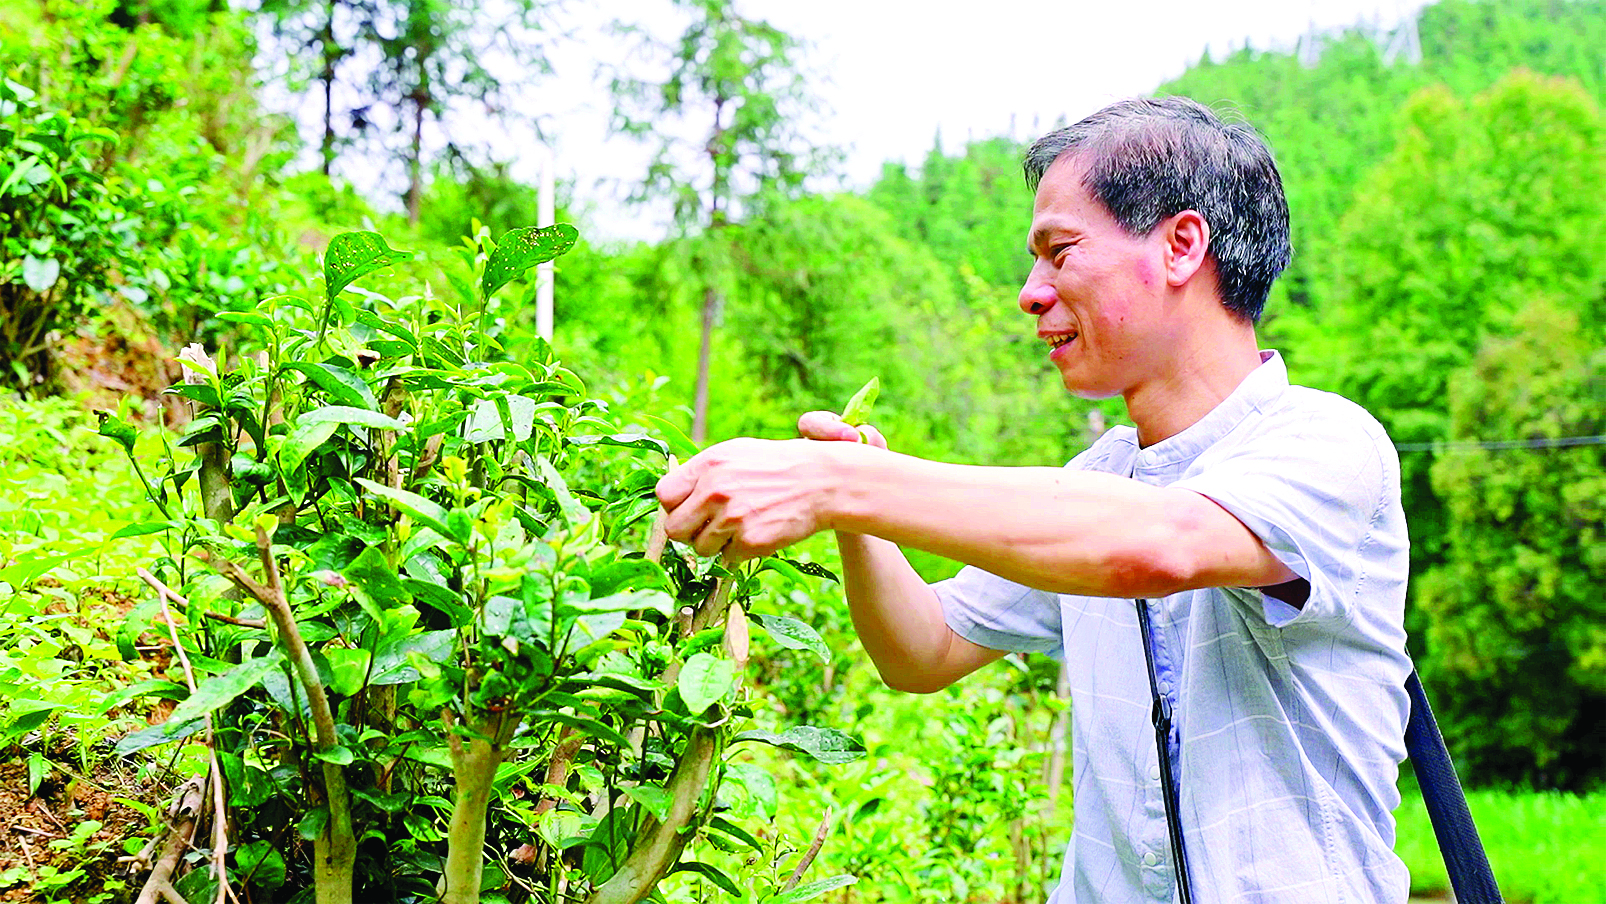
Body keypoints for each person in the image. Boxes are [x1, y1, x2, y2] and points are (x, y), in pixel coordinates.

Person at [655, 96, 1413, 903]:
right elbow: (922, 650)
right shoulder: (1096, 486)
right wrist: (855, 510)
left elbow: (1158, 548)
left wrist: (841, 484)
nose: (1030, 292)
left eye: (1060, 252)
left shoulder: (1327, 443)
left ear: (1182, 246)